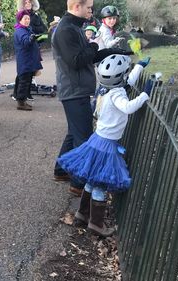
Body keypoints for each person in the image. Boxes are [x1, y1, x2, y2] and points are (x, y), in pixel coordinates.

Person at [58, 54, 153, 237]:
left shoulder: (106, 89)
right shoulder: (117, 94)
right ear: (121, 76)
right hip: (107, 145)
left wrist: (139, 67)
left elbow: (127, 81)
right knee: (100, 184)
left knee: (91, 181)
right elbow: (128, 107)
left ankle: (82, 215)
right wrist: (144, 95)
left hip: (97, 141)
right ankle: (96, 224)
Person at [51, 0, 132, 196]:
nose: (91, 11)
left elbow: (87, 56)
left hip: (76, 89)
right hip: (73, 90)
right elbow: (76, 60)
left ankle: (61, 171)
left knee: (73, 133)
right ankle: (78, 184)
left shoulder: (73, 27)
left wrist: (113, 51)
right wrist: (95, 46)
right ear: (77, 6)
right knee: (84, 138)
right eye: (89, 7)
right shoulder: (65, 30)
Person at [13, 9, 42, 111]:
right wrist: (31, 39)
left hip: (27, 60)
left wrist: (36, 39)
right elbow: (25, 42)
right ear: (20, 20)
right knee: (24, 81)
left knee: (25, 80)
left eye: (28, 18)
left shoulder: (26, 29)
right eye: (25, 18)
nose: (27, 20)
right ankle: (21, 102)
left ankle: (21, 100)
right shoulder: (21, 30)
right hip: (25, 60)